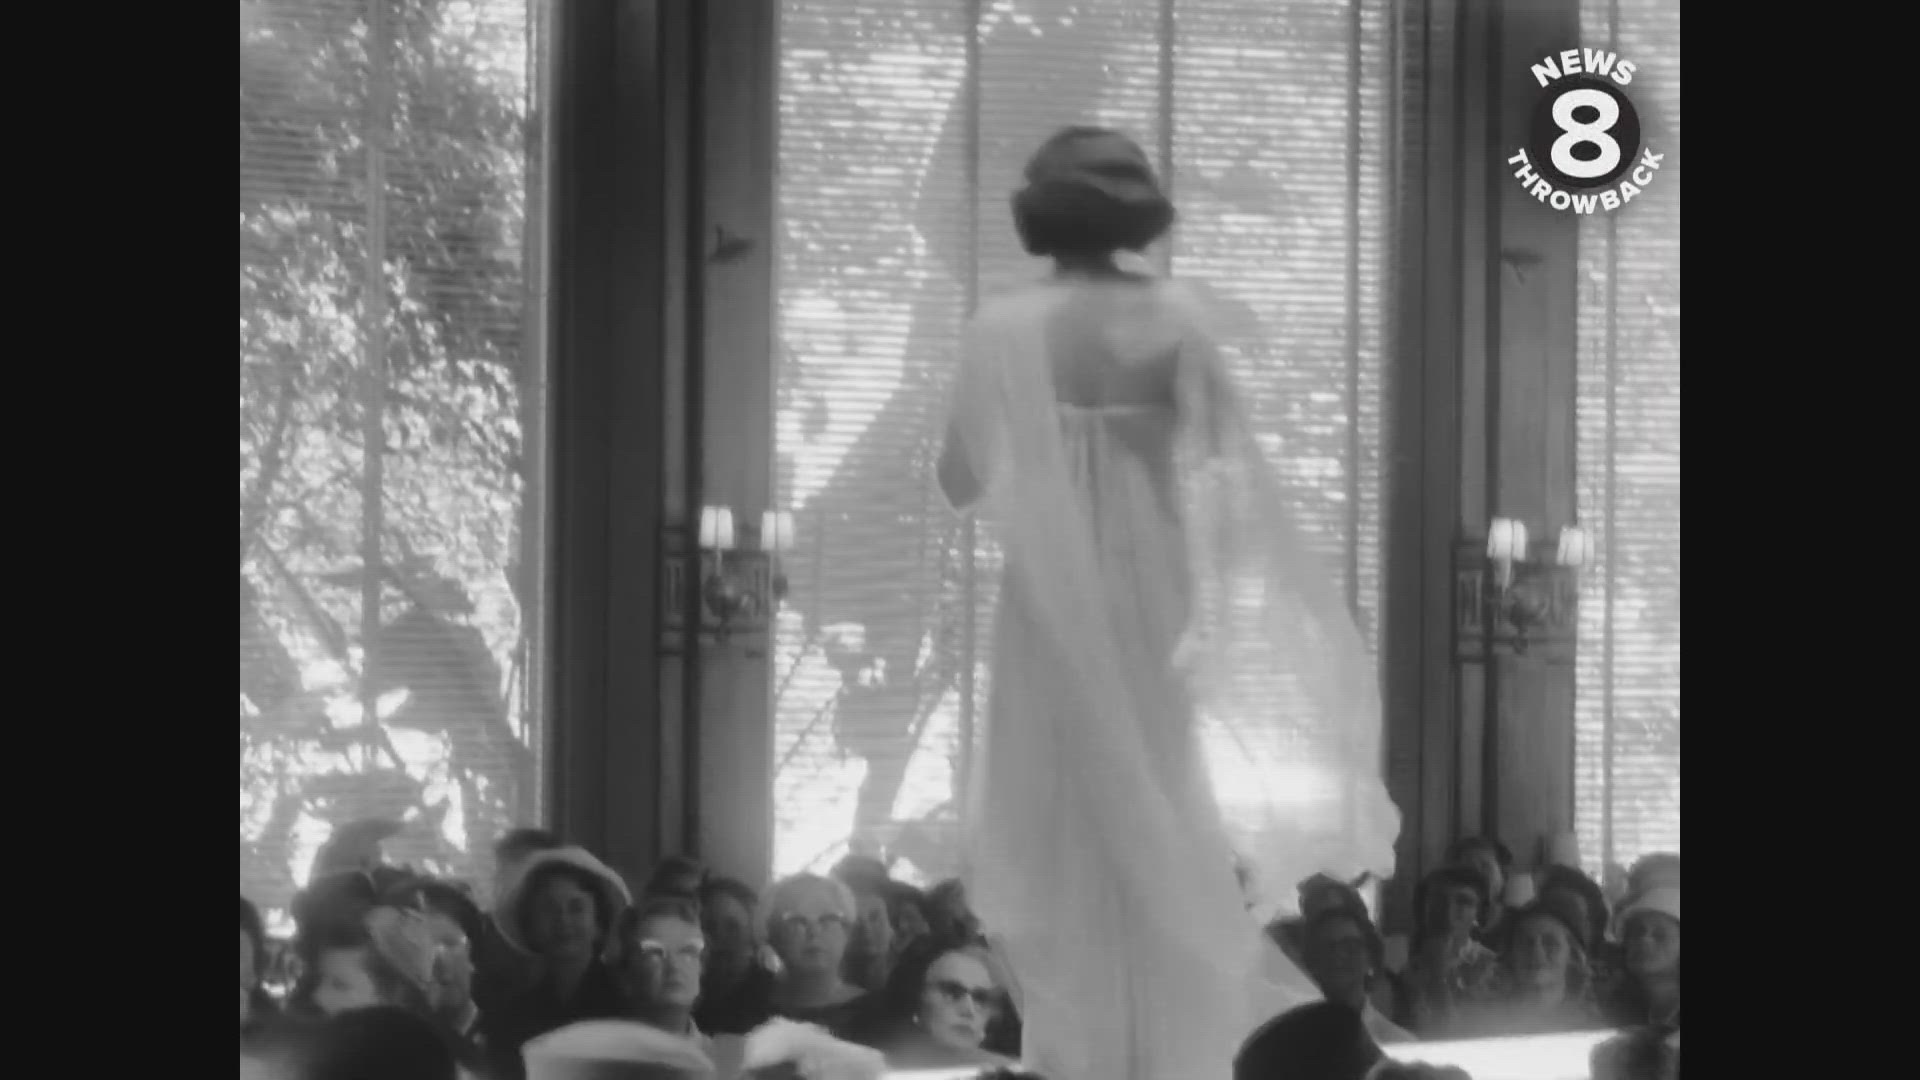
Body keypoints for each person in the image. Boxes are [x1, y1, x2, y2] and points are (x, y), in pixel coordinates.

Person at [939, 125, 1400, 1080]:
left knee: (1066, 815)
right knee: (1159, 793)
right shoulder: (1178, 319)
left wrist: (1050, 455)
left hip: (1051, 604)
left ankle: (1081, 1051)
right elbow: (1228, 471)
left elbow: (960, 478)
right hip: (1155, 592)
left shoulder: (1005, 328)